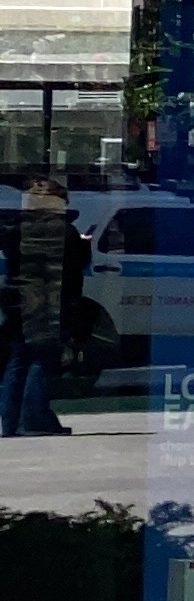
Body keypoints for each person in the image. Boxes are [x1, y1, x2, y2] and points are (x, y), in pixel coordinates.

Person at [2, 171, 78, 439]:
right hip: (48, 300)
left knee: (18, 360)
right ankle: (34, 419)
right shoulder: (64, 231)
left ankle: (10, 422)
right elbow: (73, 266)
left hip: (16, 298)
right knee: (41, 359)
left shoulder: (16, 227)